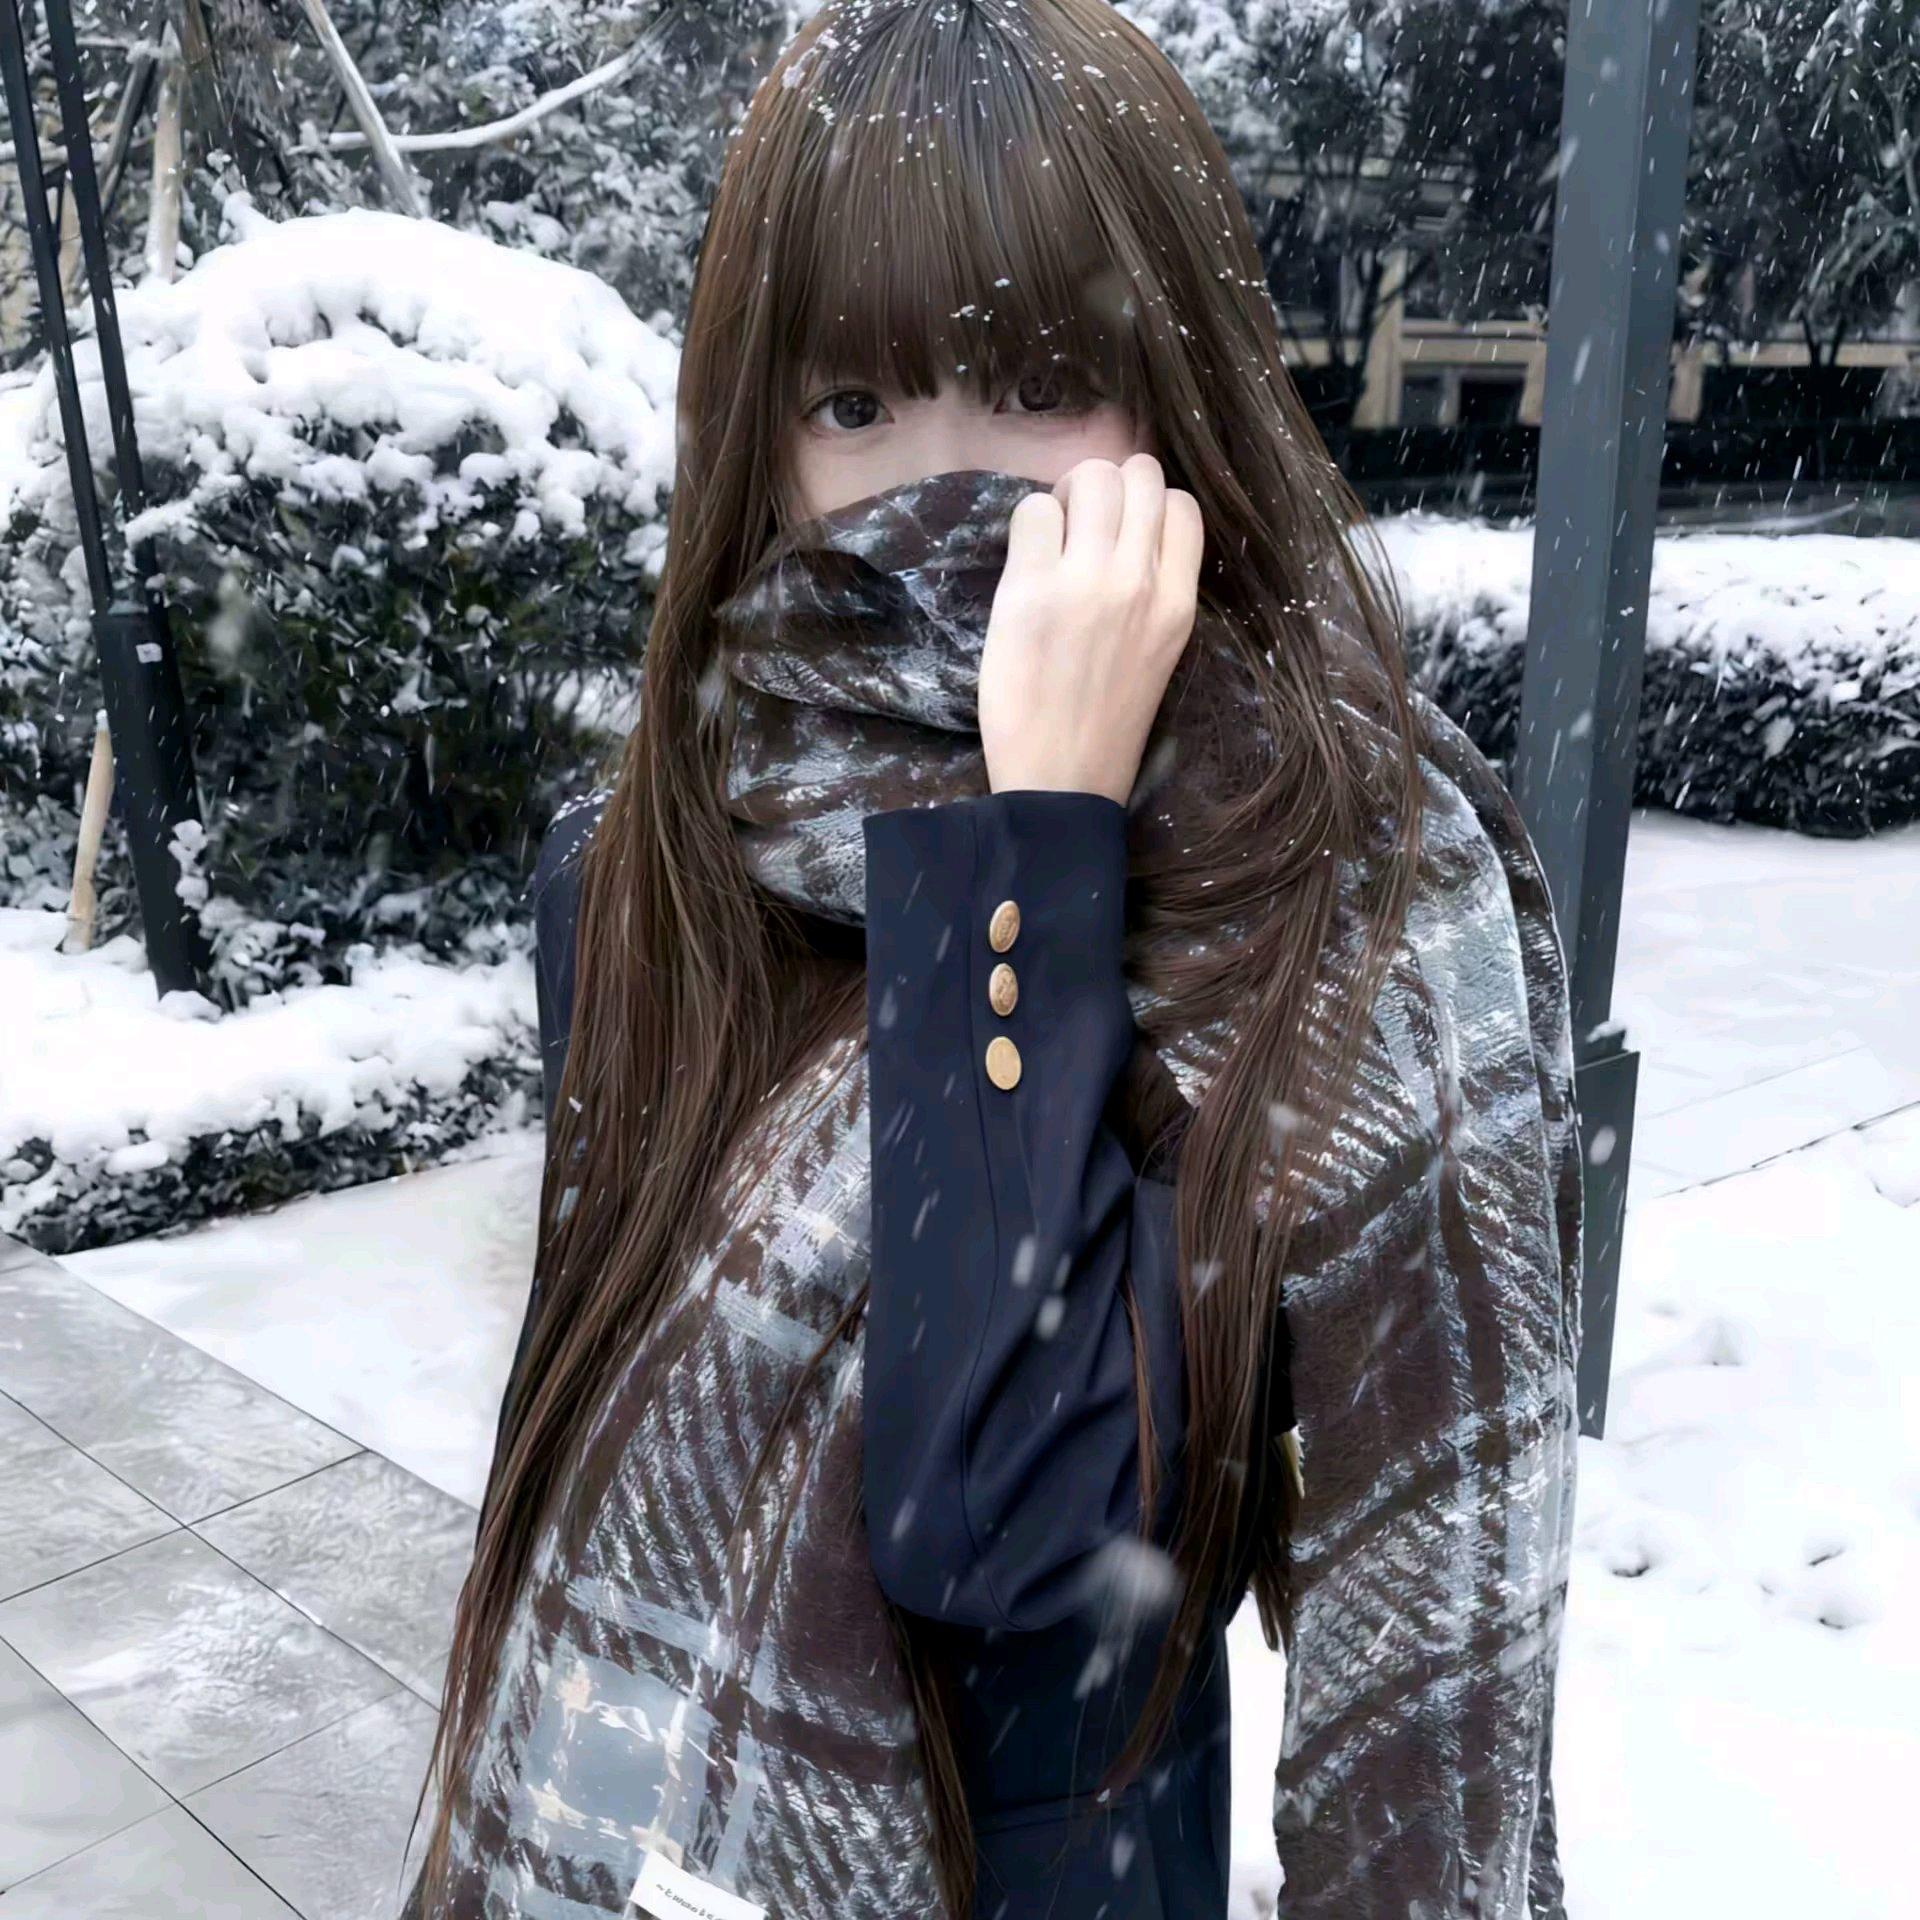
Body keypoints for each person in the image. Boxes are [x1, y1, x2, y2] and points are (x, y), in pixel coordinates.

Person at [401, 4, 1583, 1918]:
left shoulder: (1311, 880)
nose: (938, 495)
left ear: (1172, 399)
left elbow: (1009, 1530)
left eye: (1035, 386)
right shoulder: (648, 864)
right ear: (760, 437)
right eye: (853, 406)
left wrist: (1039, 841)